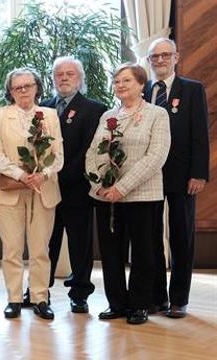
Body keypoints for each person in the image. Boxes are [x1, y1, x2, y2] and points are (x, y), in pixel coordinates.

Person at [88, 63, 170, 325]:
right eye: (117, 81)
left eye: (126, 81)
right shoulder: (107, 116)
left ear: (141, 84)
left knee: (144, 253)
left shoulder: (157, 114)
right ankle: (117, 304)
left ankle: (139, 305)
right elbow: (93, 153)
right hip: (106, 196)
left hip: (143, 195)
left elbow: (156, 156)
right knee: (110, 253)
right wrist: (98, 185)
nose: (120, 85)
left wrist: (122, 187)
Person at [0, 68, 63, 320]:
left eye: (27, 86)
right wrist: (22, 175)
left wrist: (44, 173)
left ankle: (40, 297)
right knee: (12, 249)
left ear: (36, 87)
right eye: (17, 88)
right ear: (10, 92)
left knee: (40, 249)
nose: (23, 91)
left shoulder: (50, 115)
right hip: (10, 192)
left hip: (44, 189)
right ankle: (14, 298)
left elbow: (59, 156)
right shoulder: (0, 115)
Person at [144, 38, 210, 318]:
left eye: (164, 55)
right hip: (148, 177)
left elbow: (200, 135)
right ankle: (157, 297)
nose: (159, 60)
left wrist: (198, 173)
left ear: (176, 57)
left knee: (181, 237)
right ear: (148, 61)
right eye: (154, 57)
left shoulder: (192, 90)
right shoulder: (143, 90)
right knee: (151, 237)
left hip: (183, 177)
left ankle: (179, 299)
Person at [36, 56, 107, 313]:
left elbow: (90, 149)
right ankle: (40, 291)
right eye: (59, 74)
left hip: (77, 188)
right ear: (53, 79)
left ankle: (80, 293)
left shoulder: (94, 109)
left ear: (80, 78)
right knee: (45, 242)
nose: (64, 78)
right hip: (46, 190)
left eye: (70, 74)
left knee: (80, 244)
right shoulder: (42, 109)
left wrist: (58, 174)